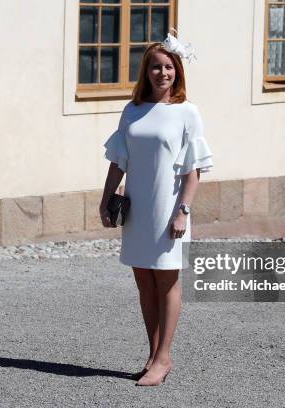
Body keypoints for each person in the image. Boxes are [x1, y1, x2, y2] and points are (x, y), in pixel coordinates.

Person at [99, 34, 213, 387]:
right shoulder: (131, 110)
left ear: (177, 71)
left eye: (168, 67)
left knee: (166, 281)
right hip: (136, 207)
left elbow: (193, 170)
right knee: (143, 282)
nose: (162, 73)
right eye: (155, 67)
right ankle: (153, 355)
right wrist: (105, 199)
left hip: (169, 209)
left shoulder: (186, 112)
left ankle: (164, 358)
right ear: (145, 72)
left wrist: (183, 212)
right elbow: (119, 160)